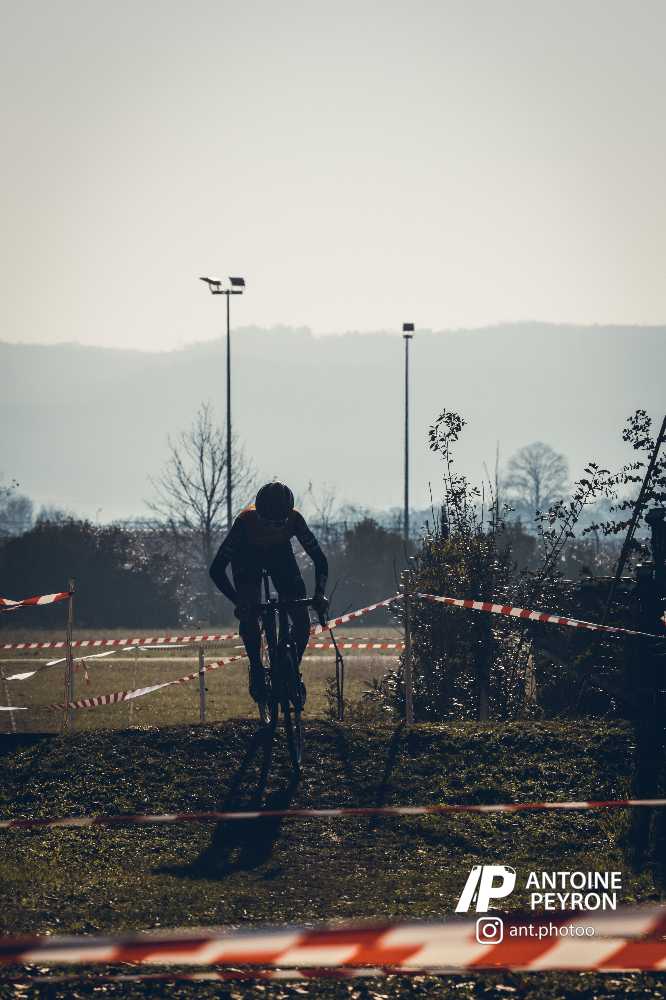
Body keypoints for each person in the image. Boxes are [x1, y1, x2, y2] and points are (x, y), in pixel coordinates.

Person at [209, 482, 329, 703]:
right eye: (266, 522)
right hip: (247, 555)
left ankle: (289, 669)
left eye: (279, 524)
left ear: (288, 516)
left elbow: (320, 560)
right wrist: (238, 602)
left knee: (302, 619)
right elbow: (216, 569)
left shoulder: (295, 519)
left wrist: (319, 594)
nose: (271, 528)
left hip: (279, 554)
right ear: (258, 513)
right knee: (250, 611)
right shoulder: (244, 522)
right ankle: (256, 667)